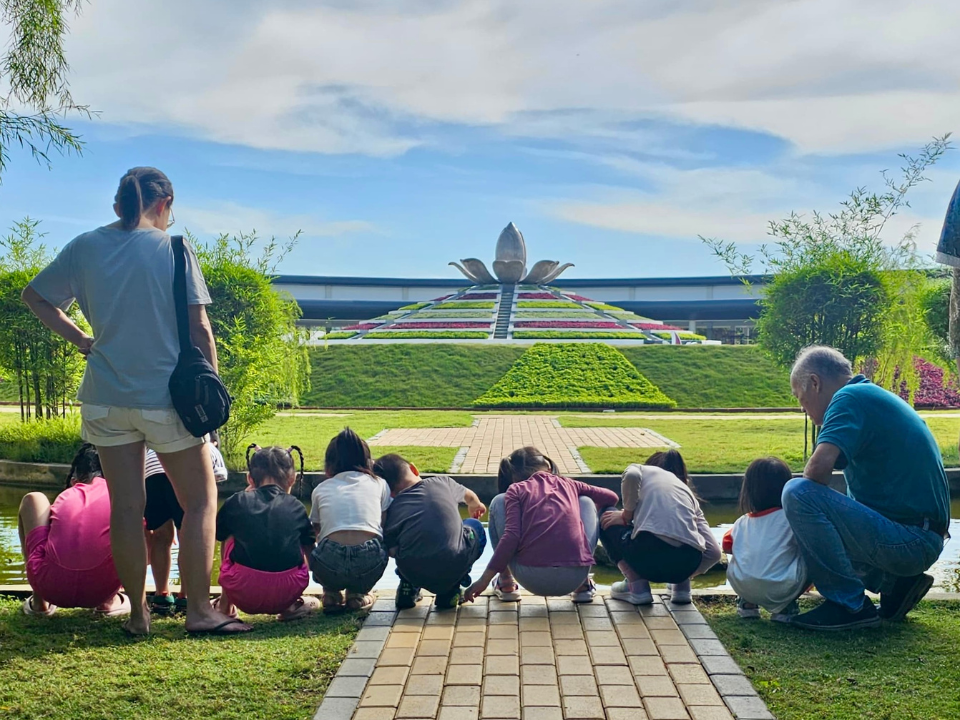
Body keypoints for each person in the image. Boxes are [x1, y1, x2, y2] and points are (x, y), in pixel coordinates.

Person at [23, 167, 248, 635]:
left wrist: (83, 339)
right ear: (165, 204)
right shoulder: (174, 250)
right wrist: (212, 396)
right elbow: (200, 329)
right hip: (167, 399)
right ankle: (198, 612)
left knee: (128, 508)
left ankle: (140, 616)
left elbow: (36, 297)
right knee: (201, 502)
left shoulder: (84, 246)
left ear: (118, 205)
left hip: (104, 397)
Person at [782, 346, 949, 631]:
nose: (802, 408)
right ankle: (896, 583)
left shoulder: (848, 398)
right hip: (920, 536)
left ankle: (850, 605)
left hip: (910, 539)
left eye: (801, 398)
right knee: (824, 509)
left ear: (815, 383)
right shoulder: (867, 396)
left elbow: (815, 473)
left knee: (797, 493)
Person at [464, 446, 618, 603]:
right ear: (549, 466)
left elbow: (511, 537)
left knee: (498, 501)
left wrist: (483, 580)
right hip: (575, 577)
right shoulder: (570, 484)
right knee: (585, 501)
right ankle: (583, 587)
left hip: (531, 579)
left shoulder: (515, 490)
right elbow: (611, 497)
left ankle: (506, 584)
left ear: (513, 476)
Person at [18, 444, 129, 617]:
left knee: (34, 499)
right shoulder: (121, 495)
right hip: (102, 590)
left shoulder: (69, 494)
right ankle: (109, 603)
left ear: (74, 478)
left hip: (49, 586)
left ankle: (40, 603)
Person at [599, 450, 721, 606]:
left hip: (647, 555)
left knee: (606, 514)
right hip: (687, 563)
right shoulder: (688, 496)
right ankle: (681, 588)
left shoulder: (641, 470)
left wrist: (626, 515)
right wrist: (685, 574)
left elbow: (631, 476)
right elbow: (714, 553)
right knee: (682, 541)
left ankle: (636, 586)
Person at [215, 446, 319, 621]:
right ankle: (290, 607)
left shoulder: (237, 501)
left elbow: (218, 535)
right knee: (298, 540)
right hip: (288, 591)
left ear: (250, 478)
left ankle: (225, 606)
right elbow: (311, 554)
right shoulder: (297, 507)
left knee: (229, 533)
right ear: (293, 478)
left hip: (241, 590)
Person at [375, 453, 488, 610]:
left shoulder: (392, 509)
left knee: (406, 544)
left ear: (387, 491)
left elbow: (392, 550)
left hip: (412, 571)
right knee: (474, 526)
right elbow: (469, 496)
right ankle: (451, 590)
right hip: (453, 563)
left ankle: (408, 587)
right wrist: (475, 505)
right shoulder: (442, 481)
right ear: (414, 469)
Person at [144, 431, 229, 615]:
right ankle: (185, 596)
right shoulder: (209, 447)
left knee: (161, 536)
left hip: (152, 473)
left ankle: (162, 596)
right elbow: (215, 480)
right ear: (214, 441)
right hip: (185, 474)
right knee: (189, 536)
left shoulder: (159, 444)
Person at [309, 428, 391, 613]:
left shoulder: (321, 489)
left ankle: (330, 592)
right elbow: (383, 525)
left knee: (321, 543)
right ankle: (358, 595)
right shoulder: (380, 484)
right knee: (380, 542)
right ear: (367, 462)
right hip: (368, 562)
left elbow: (314, 530)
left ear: (329, 464)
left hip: (329, 565)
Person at [722, 457, 807, 622]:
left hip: (742, 585)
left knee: (745, 556)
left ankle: (747, 603)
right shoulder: (793, 519)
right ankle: (785, 607)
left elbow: (727, 546)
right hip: (781, 587)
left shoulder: (741, 522)